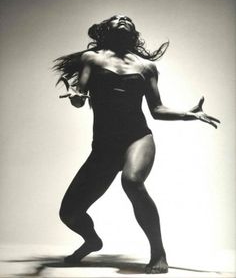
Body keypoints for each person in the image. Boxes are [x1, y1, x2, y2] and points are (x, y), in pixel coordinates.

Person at [53, 15, 220, 274]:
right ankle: (92, 241)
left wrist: (189, 114)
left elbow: (157, 109)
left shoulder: (146, 67)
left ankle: (158, 253)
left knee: (131, 181)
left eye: (128, 19)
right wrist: (76, 96)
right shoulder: (92, 59)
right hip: (104, 147)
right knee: (69, 214)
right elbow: (80, 97)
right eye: (117, 18)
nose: (123, 20)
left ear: (134, 32)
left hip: (137, 138)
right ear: (106, 29)